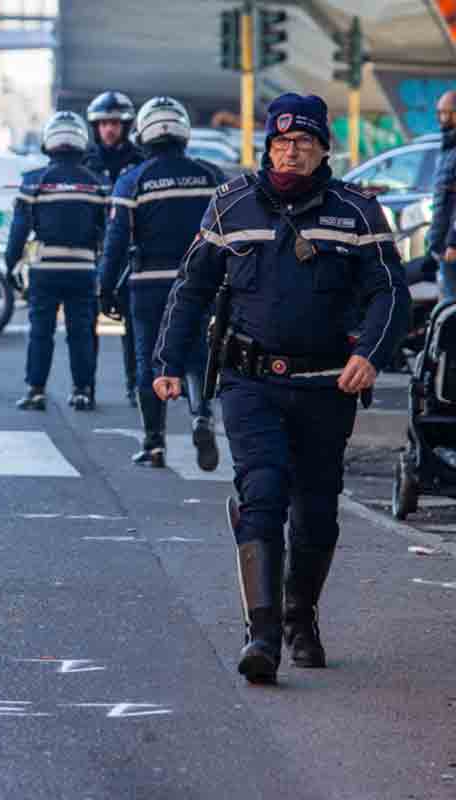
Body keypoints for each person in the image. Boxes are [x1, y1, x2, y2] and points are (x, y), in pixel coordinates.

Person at [153, 93, 409, 684]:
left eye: (304, 144)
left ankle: (301, 617)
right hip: (250, 382)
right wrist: (168, 360)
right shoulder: (229, 204)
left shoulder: (358, 212)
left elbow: (387, 293)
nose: (291, 153)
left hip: (326, 385)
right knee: (262, 491)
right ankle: (262, 632)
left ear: (323, 150)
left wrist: (369, 355)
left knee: (316, 512)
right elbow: (191, 289)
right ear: (267, 147)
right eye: (280, 143)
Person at [99, 96, 223, 469]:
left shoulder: (132, 181)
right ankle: (202, 415)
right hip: (198, 282)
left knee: (149, 362)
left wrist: (105, 287)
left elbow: (116, 241)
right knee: (197, 354)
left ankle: (154, 444)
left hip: (147, 285)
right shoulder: (209, 176)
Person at [5, 111, 107, 412]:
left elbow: (19, 230)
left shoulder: (33, 181)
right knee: (81, 332)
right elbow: (108, 231)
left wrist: (10, 264)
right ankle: (83, 391)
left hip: (45, 268)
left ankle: (35, 390)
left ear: (48, 141)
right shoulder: (97, 184)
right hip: (83, 269)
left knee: (40, 331)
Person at [84, 91, 145, 407]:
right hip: (92, 251)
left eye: (115, 123)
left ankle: (135, 385)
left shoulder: (140, 162)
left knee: (134, 326)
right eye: (104, 123)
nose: (109, 129)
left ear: (126, 125)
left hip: (127, 254)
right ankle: (85, 387)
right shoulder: (84, 163)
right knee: (85, 326)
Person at [426, 90, 456, 298]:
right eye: (440, 113)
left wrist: (454, 241)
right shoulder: (447, 147)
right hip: (442, 243)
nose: (442, 119)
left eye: (447, 113)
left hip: (451, 247)